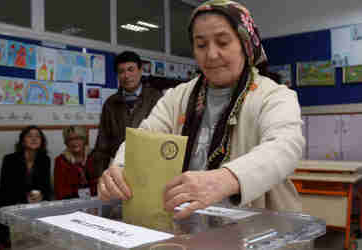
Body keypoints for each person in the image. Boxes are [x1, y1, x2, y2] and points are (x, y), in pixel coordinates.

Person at [98, 0, 305, 220]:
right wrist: (120, 168)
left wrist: (227, 179)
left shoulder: (273, 95)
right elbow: (143, 138)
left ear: (245, 44)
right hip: (190, 226)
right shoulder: (178, 96)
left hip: (259, 228)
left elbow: (284, 147)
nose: (211, 54)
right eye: (201, 45)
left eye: (223, 42)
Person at [92, 51, 163, 177]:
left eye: (131, 69)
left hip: (150, 167)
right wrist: (100, 176)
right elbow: (102, 144)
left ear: (140, 71)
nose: (126, 75)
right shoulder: (110, 104)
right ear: (117, 76)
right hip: (120, 169)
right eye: (121, 71)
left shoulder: (156, 98)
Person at [0, 125, 52, 248]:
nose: (34, 139)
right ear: (22, 140)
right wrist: (26, 198)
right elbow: (6, 188)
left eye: (38, 136)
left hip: (35, 205)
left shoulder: (45, 160)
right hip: (12, 205)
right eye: (30, 136)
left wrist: (42, 194)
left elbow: (46, 186)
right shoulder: (9, 159)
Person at [54, 126, 97, 200]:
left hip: (95, 200)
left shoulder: (94, 156)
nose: (74, 142)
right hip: (72, 202)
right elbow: (60, 191)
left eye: (78, 138)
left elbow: (100, 182)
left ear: (84, 140)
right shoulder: (60, 160)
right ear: (66, 142)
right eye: (70, 139)